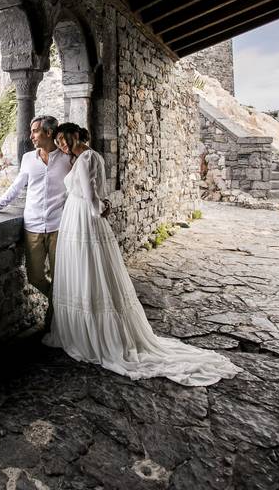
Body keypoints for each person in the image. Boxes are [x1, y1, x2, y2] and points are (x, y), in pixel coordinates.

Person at [44, 123, 240, 386]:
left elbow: (90, 196)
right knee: (86, 271)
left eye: (63, 138)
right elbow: (94, 194)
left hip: (82, 219)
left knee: (87, 270)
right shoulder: (89, 156)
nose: (61, 143)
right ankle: (80, 329)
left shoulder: (86, 157)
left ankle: (91, 336)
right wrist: (101, 207)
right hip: (77, 216)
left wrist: (97, 211)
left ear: (76, 134)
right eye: (56, 140)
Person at [0, 115, 69, 325]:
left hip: (59, 227)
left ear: (49, 133)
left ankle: (54, 322)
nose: (31, 136)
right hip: (33, 226)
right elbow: (16, 187)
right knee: (35, 276)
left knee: (60, 279)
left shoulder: (67, 160)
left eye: (35, 131)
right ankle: (61, 310)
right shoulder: (28, 158)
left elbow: (81, 187)